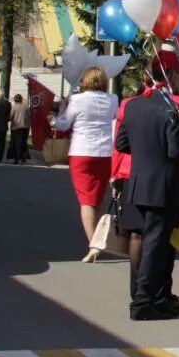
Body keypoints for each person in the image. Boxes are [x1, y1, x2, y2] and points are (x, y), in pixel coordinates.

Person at [116, 65, 179, 320]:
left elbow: (121, 143)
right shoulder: (171, 109)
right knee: (155, 245)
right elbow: (174, 152)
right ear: (168, 79)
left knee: (141, 240)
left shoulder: (133, 106)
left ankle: (149, 297)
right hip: (163, 186)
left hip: (137, 183)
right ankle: (143, 302)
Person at [57, 66, 120, 259]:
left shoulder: (77, 100)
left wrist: (61, 110)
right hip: (105, 152)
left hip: (81, 152)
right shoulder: (112, 99)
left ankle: (94, 243)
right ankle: (98, 239)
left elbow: (63, 124)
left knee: (86, 201)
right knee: (97, 199)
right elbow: (116, 120)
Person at [7, 94, 30, 163]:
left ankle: (16, 158)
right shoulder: (26, 107)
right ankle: (23, 157)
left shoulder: (14, 107)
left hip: (16, 128)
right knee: (23, 142)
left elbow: (10, 117)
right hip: (25, 127)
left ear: (15, 100)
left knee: (16, 143)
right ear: (21, 99)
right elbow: (29, 116)